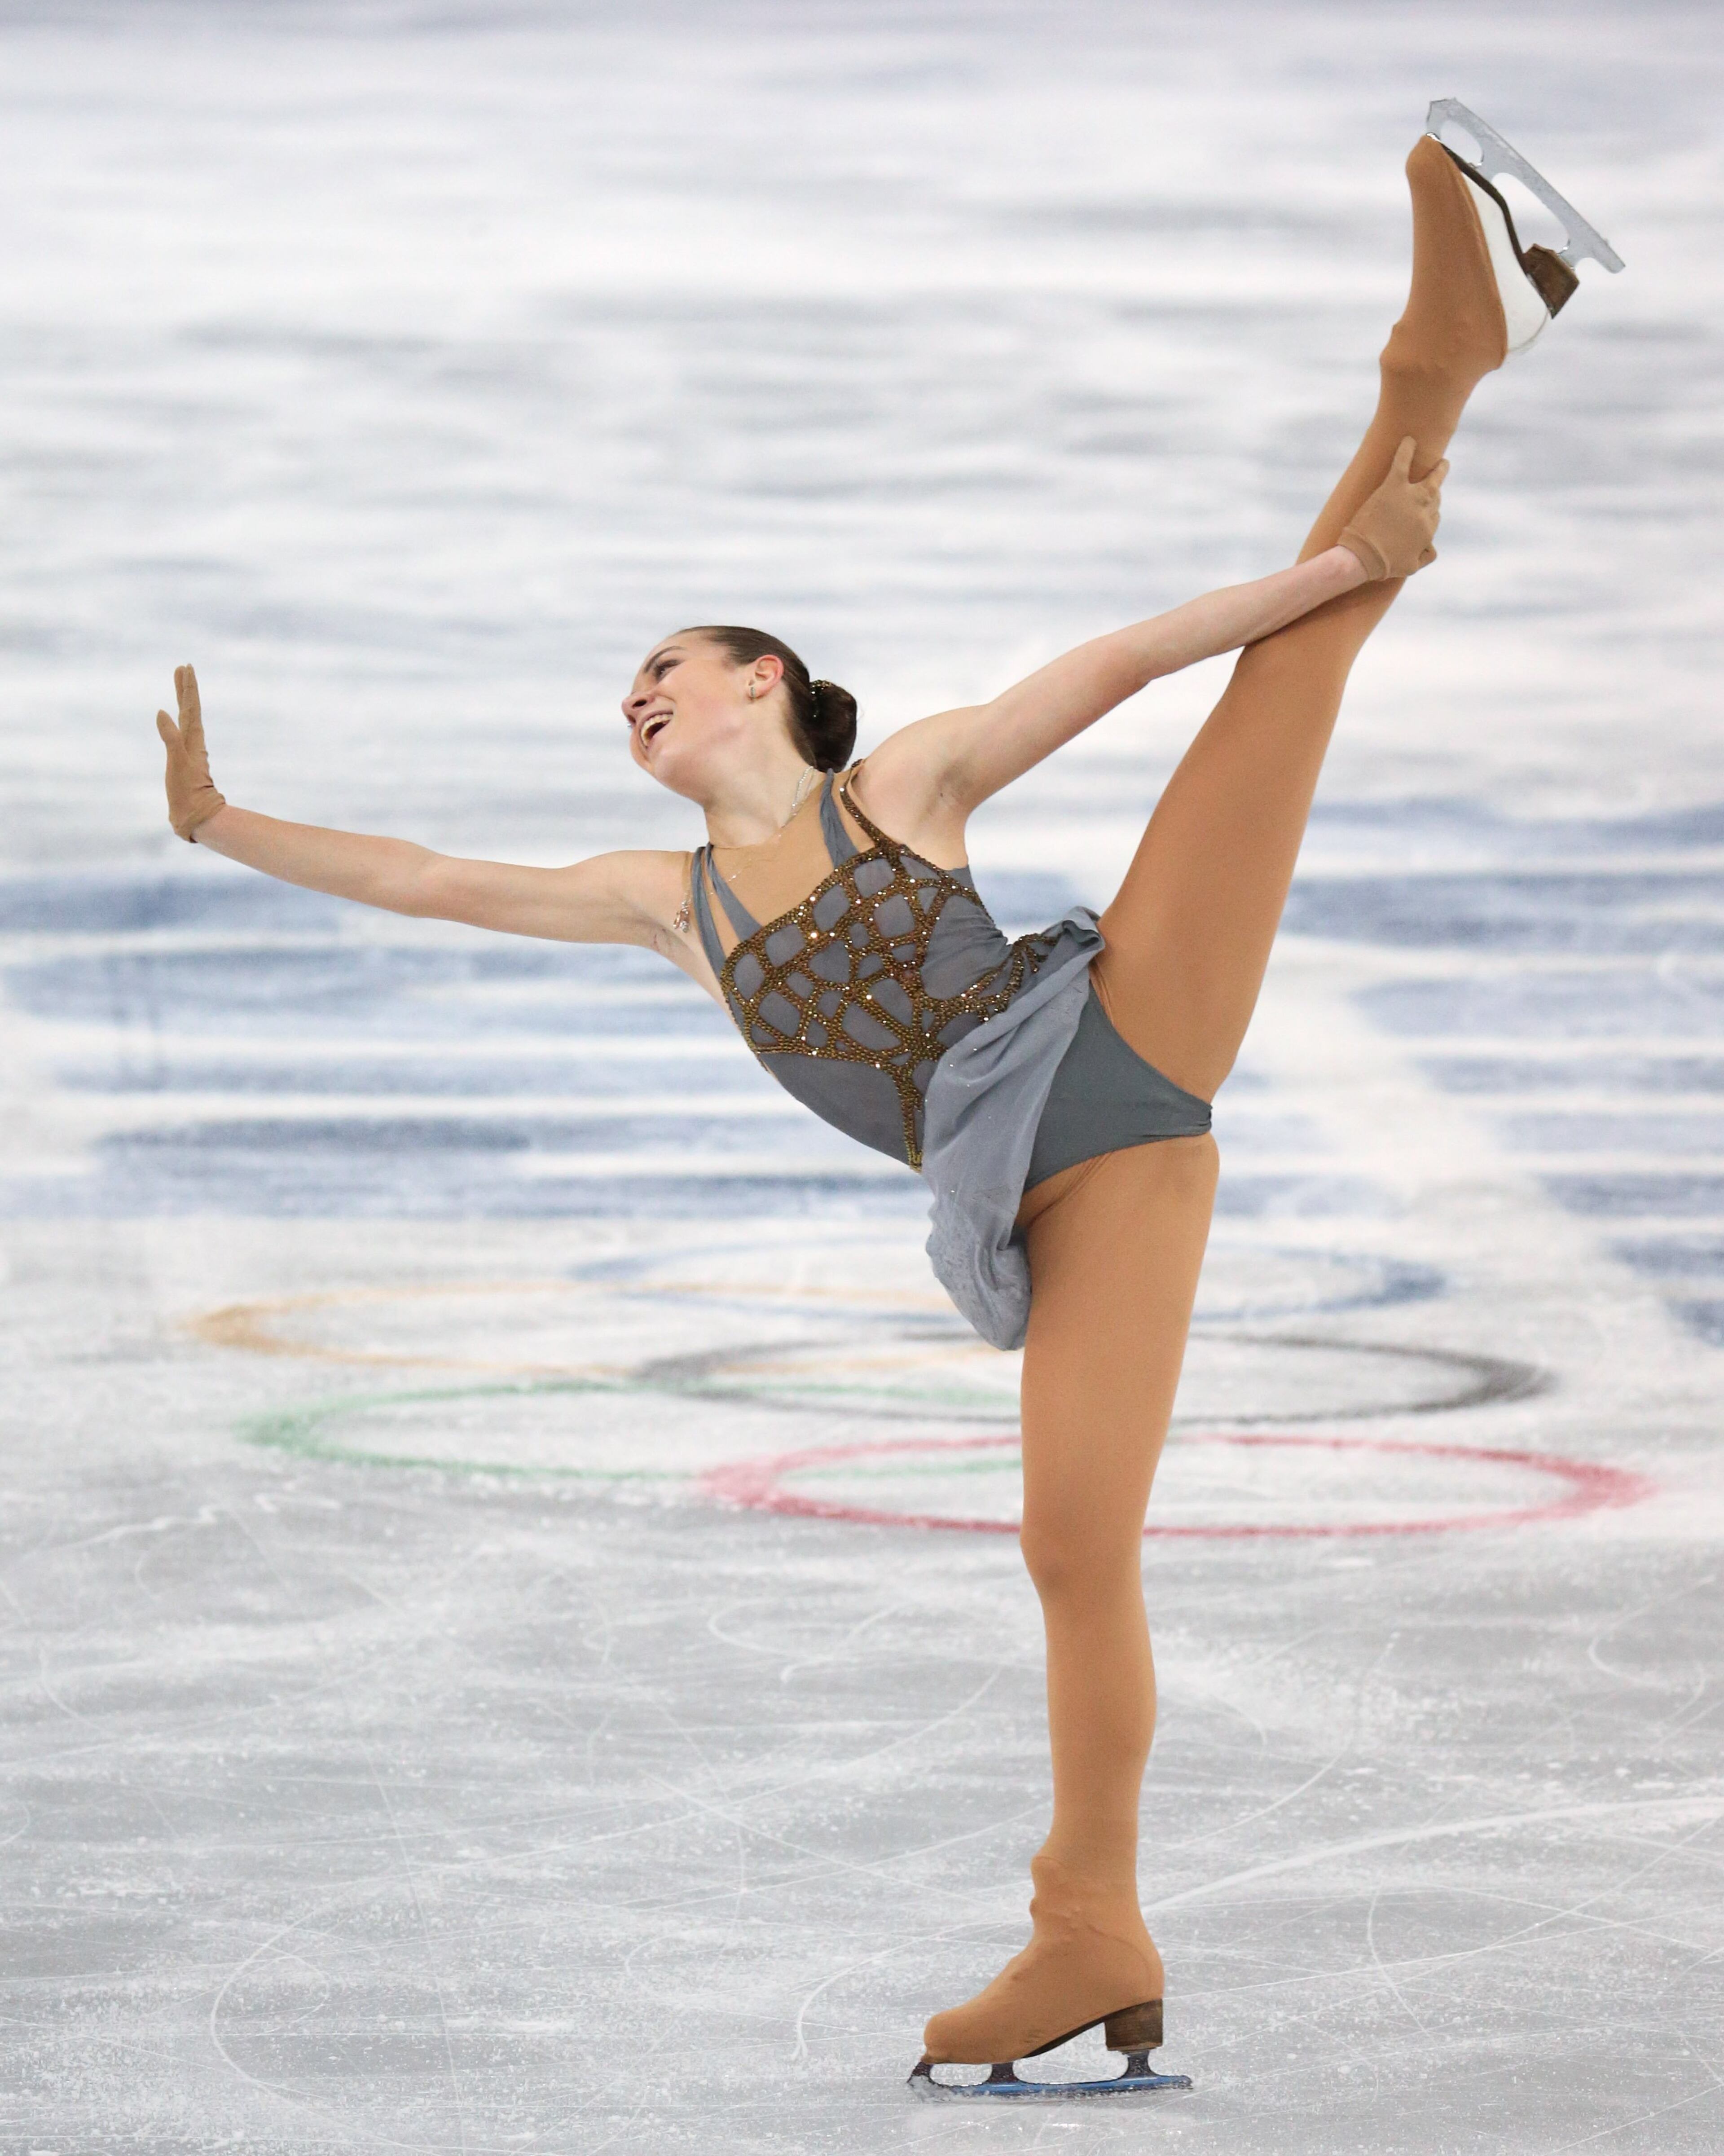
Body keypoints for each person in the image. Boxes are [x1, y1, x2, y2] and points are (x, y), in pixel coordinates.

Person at [156, 110, 1613, 2095]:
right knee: (1071, 1547)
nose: (638, 698)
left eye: (668, 668)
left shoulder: (898, 788)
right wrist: (223, 821)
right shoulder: (666, 907)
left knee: (1288, 671)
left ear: (765, 678)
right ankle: (1093, 1925)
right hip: (1055, 1198)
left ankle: (1435, 359)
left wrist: (1346, 565)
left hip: (1121, 1032)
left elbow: (1119, 664)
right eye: (626, 694)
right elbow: (428, 875)